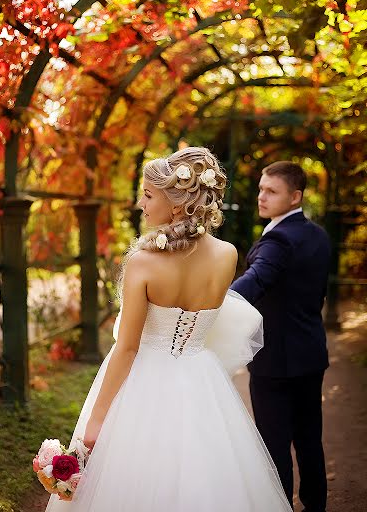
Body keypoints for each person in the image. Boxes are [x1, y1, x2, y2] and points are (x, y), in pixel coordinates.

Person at [44, 147, 291, 512]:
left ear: (177, 205)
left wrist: (95, 423)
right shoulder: (227, 254)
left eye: (147, 195)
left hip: (142, 380)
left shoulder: (143, 263)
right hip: (201, 381)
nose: (140, 204)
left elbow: (127, 350)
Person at [231, 161, 330, 512]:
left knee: (274, 445)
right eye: (261, 188)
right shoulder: (319, 236)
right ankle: (316, 506)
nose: (261, 196)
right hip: (311, 352)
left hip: (275, 360)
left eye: (271, 191)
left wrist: (212, 300)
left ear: (295, 196)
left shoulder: (278, 239)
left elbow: (255, 280)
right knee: (308, 440)